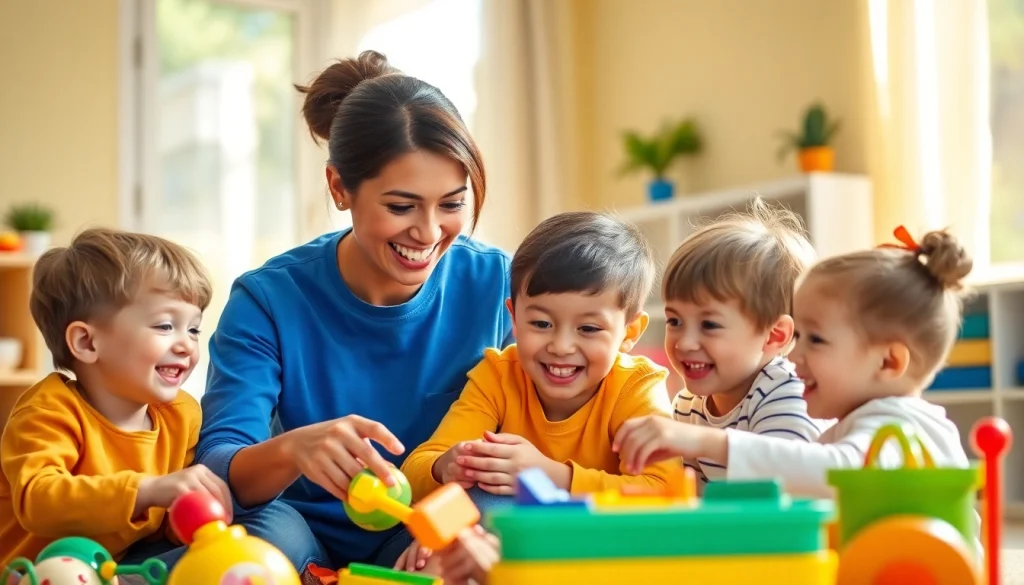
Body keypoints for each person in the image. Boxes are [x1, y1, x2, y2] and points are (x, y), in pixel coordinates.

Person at [142, 50, 513, 572]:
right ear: (340, 188)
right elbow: (220, 466)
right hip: (294, 521)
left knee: (499, 514)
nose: (429, 233)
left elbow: (545, 425)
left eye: (451, 204)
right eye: (401, 206)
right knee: (250, 555)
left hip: (425, 520)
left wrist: (454, 522)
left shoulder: (498, 283)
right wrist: (294, 449)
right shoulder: (267, 299)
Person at [395, 211, 677, 573]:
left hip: (598, 552)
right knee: (461, 517)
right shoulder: (498, 375)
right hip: (504, 547)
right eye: (541, 323)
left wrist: (550, 476)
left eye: (588, 328)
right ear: (513, 317)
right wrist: (445, 467)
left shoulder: (636, 386)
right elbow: (417, 470)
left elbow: (665, 494)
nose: (560, 346)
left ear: (630, 332)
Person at [614, 226, 972, 499]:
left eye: (814, 340)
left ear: (888, 362)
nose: (795, 355)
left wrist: (707, 442)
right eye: (674, 321)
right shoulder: (859, 424)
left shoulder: (899, 426)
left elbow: (835, 476)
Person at [0, 228, 230, 568]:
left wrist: (192, 519)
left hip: (113, 567)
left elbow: (158, 524)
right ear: (87, 343)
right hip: (31, 572)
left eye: (193, 328)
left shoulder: (181, 415)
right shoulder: (47, 411)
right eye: (165, 326)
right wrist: (149, 489)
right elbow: (39, 502)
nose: (186, 345)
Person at [644, 198, 828, 488]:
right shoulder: (688, 406)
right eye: (675, 321)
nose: (685, 343)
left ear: (774, 335)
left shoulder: (785, 391)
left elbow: (788, 488)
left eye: (709, 325)